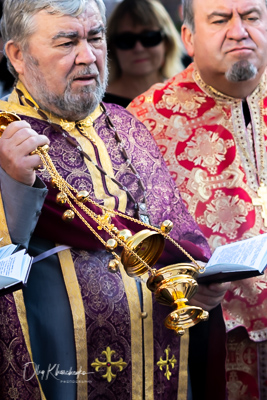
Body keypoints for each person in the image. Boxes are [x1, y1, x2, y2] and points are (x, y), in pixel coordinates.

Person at [0, 0, 229, 399]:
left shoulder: (127, 124)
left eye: (96, 37)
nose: (88, 56)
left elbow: (177, 234)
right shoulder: (5, 137)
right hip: (61, 367)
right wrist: (13, 182)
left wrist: (199, 280)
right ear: (18, 54)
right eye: (67, 41)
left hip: (164, 359)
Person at [127, 0, 267, 398]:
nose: (239, 30)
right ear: (187, 36)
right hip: (212, 337)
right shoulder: (146, 119)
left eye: (252, 17)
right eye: (221, 19)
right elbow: (131, 239)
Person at [103, 0, 185, 107]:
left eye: (149, 37)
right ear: (112, 48)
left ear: (167, 43)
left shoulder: (186, 97)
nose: (139, 48)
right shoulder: (97, 106)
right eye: (126, 40)